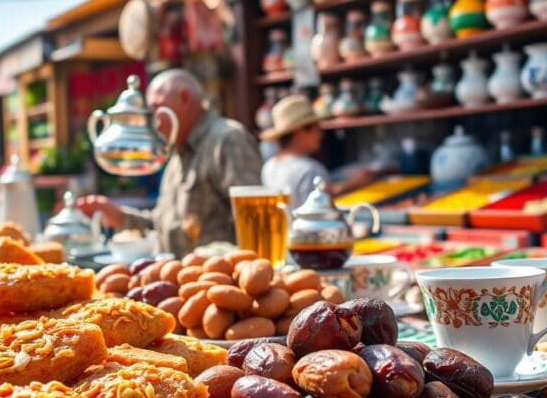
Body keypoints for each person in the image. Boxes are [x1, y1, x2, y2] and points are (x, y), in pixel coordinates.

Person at [78, 69, 262, 257]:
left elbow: (254, 222)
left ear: (185, 99)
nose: (152, 120)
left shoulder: (227, 139)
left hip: (215, 279)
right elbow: (162, 224)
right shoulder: (174, 150)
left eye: (156, 108)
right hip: (177, 277)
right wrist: (119, 216)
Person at [260, 94, 374, 209]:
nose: (321, 135)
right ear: (300, 132)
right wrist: (356, 183)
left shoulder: (269, 166)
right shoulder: (309, 170)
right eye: (316, 128)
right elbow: (320, 208)